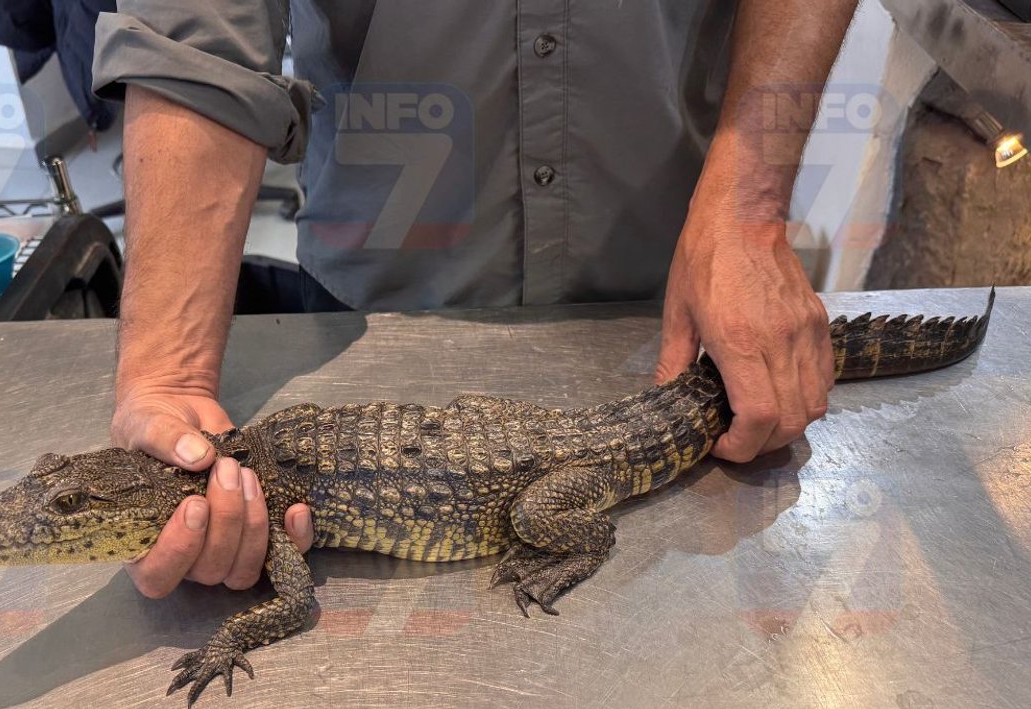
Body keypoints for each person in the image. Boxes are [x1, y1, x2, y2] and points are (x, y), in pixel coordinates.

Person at [91, 1, 858, 598]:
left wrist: (751, 207)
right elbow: (194, 34)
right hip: (374, 280)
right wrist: (169, 374)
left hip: (669, 285)